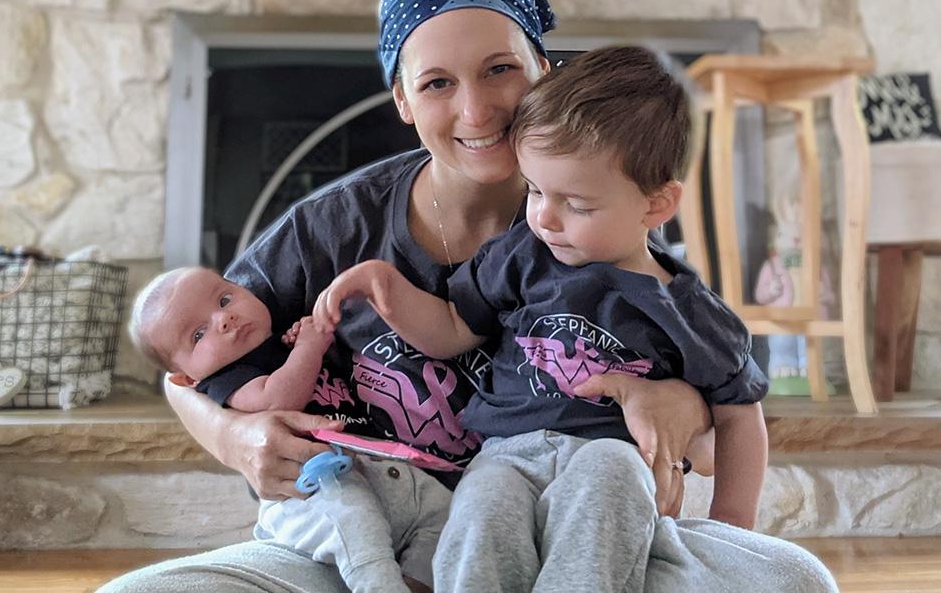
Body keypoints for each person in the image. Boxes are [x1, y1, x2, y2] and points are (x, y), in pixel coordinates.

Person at [100, 0, 836, 591]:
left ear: (543, 69)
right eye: (436, 83)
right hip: (365, 539)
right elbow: (184, 366)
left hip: (570, 536)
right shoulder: (331, 228)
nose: (477, 109)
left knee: (795, 577)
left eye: (500, 69)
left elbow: (714, 411)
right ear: (400, 99)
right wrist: (235, 440)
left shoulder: (601, 218)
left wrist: (677, 403)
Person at [313, 45, 771, 591]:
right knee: (483, 502)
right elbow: (452, 329)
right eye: (534, 190)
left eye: (576, 204)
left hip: (611, 457)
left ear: (655, 205)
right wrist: (387, 289)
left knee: (613, 472)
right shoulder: (522, 257)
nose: (544, 218)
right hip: (508, 453)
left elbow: (740, 416)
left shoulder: (690, 310)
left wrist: (731, 527)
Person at [127, 266, 446, 592]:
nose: (224, 319)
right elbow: (277, 398)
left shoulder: (274, 338)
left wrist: (301, 337)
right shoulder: (226, 379)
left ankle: (415, 582)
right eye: (198, 334)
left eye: (224, 300)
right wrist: (309, 346)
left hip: (374, 471)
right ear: (188, 379)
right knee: (356, 526)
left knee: (441, 509)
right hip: (311, 490)